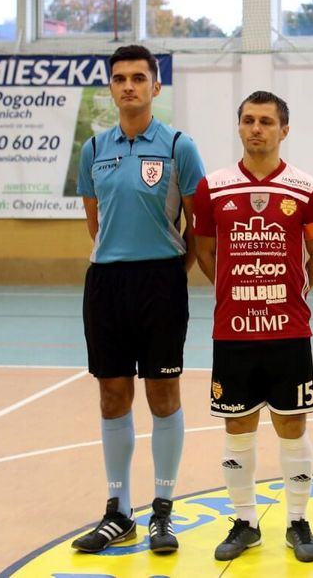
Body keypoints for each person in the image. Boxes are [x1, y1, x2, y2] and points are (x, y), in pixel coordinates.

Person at [71, 45, 205, 554]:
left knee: (163, 394)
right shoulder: (93, 148)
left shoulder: (179, 147)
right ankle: (119, 510)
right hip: (107, 284)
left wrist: (172, 273)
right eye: (119, 78)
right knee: (112, 395)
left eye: (138, 77)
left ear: (155, 86)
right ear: (110, 87)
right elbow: (95, 221)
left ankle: (163, 509)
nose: (128, 85)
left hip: (161, 282)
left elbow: (199, 226)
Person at [192, 91, 313, 563]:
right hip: (233, 331)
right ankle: (245, 521)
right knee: (238, 426)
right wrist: (234, 290)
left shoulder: (307, 188)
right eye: (249, 120)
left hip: (289, 329)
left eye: (266, 122)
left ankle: (297, 521)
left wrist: (290, 291)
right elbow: (204, 251)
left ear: (283, 130)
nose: (256, 129)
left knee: (292, 425)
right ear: (239, 127)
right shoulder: (213, 187)